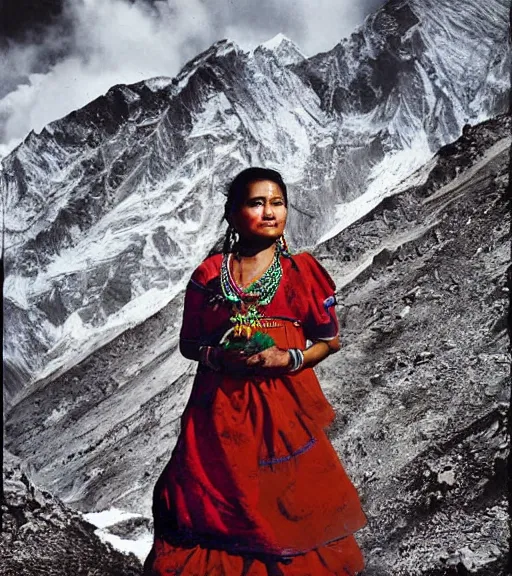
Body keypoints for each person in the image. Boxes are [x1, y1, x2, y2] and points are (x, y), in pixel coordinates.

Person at [143, 167, 367, 575]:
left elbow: (329, 340)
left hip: (283, 417)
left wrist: (289, 359)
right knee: (207, 510)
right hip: (218, 416)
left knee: (285, 511)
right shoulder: (210, 274)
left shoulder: (303, 272)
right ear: (231, 214)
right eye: (256, 202)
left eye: (277, 203)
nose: (269, 212)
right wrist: (219, 358)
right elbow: (190, 344)